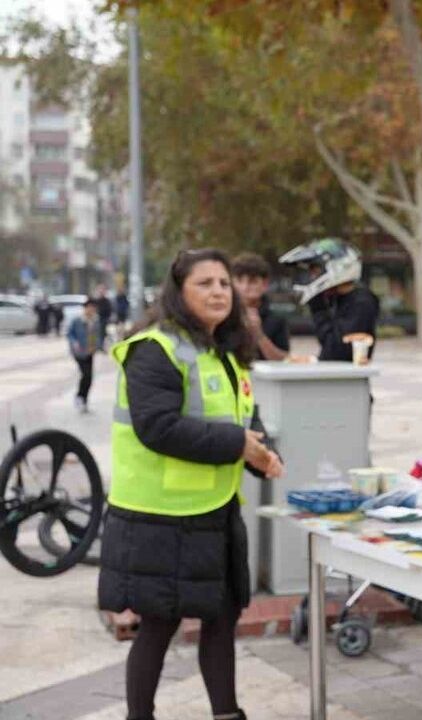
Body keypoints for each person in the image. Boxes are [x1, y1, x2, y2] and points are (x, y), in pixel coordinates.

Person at [97, 248, 284, 720]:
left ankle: (227, 713)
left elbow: (244, 419)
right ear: (178, 292)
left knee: (221, 619)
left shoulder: (225, 352)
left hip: (215, 510)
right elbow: (157, 427)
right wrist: (238, 445)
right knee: (159, 626)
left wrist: (262, 454)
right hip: (159, 517)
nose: (219, 292)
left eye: (223, 283)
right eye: (205, 283)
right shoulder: (153, 349)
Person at [278, 238, 379, 362]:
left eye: (316, 270)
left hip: (347, 373)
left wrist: (318, 308)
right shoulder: (336, 299)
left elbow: (338, 350)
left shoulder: (361, 302)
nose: (312, 276)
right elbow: (329, 349)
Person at [231, 253, 291, 361]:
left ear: (265, 284)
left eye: (252, 281)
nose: (245, 287)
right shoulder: (223, 315)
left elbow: (284, 360)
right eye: (239, 281)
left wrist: (258, 334)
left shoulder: (276, 320)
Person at [66, 298, 101, 413]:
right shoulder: (77, 320)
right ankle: (79, 396)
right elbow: (70, 333)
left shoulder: (95, 321)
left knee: (89, 377)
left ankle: (84, 400)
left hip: (90, 352)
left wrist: (97, 346)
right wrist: (74, 342)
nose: (91, 310)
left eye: (93, 308)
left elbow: (98, 335)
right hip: (79, 352)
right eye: (89, 308)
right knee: (85, 374)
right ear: (85, 308)